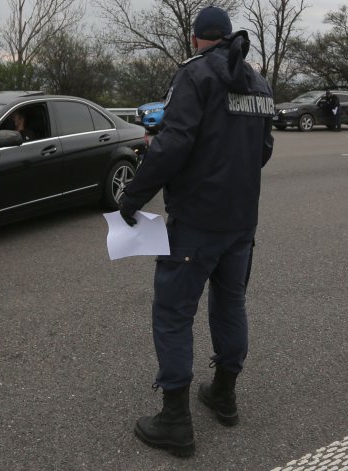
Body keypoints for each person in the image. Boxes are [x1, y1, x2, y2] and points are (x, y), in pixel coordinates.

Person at [117, 5, 274, 458]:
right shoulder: (258, 82)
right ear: (226, 37)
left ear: (194, 39)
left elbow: (172, 144)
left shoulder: (195, 75)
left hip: (197, 222)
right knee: (230, 303)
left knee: (173, 313)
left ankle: (175, 421)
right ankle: (223, 394)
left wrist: (131, 198)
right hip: (242, 222)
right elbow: (262, 148)